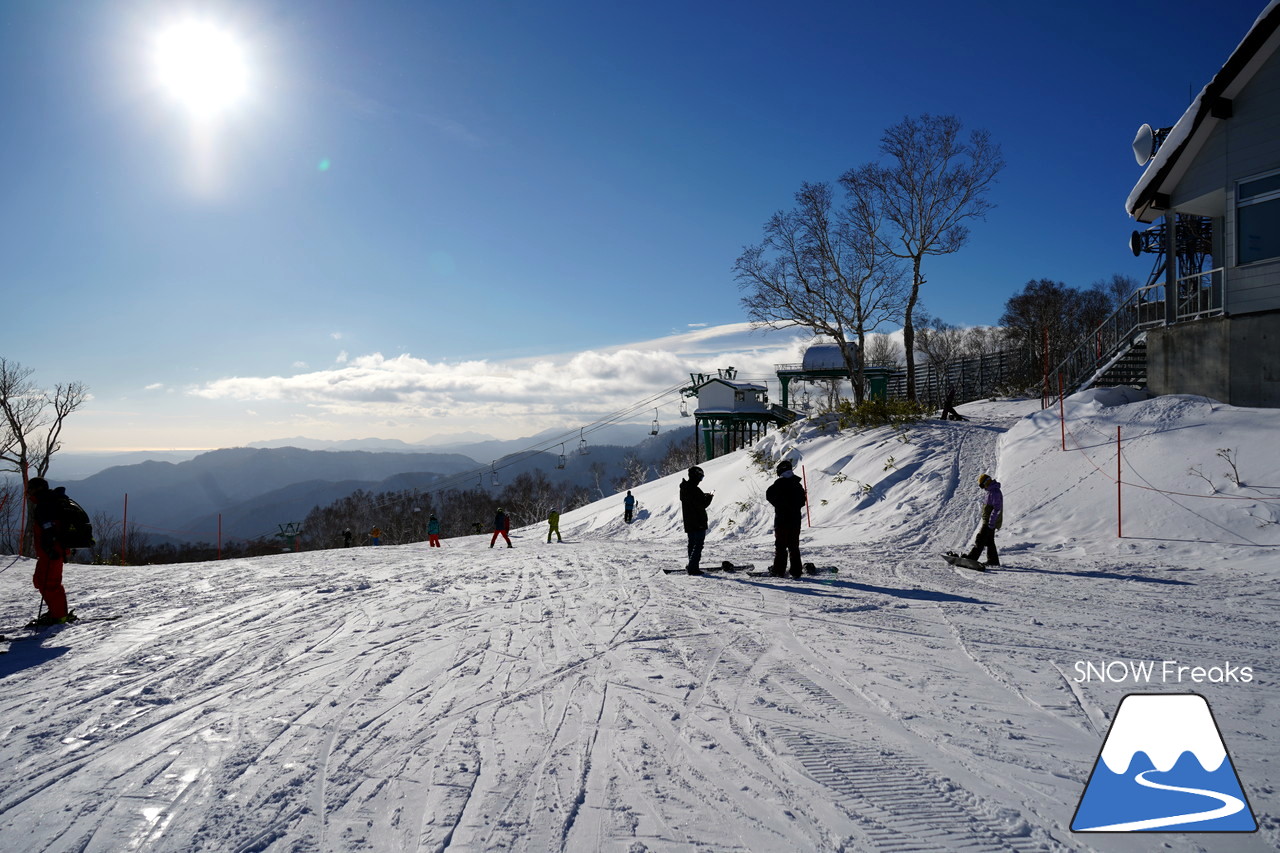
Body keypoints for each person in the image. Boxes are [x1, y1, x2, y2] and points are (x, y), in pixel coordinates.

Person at [26, 477, 72, 626]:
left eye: (31, 488)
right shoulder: (50, 502)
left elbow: (49, 530)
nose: (28, 491)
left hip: (52, 551)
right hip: (52, 551)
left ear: (38, 489)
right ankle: (56, 612)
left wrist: (50, 548)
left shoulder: (45, 505)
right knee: (40, 580)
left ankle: (59, 616)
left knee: (49, 583)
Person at [765, 459, 807, 578]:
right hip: (795, 520)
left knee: (781, 546)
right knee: (794, 546)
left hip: (782, 520)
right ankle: (796, 571)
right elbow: (802, 501)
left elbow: (769, 495)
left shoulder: (778, 484)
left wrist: (780, 504)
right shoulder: (797, 484)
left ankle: (778, 570)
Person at [678, 465, 713, 575]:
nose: (700, 481)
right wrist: (709, 497)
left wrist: (703, 497)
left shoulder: (685, 488)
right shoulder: (694, 489)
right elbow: (702, 504)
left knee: (692, 544)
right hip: (698, 521)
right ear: (696, 476)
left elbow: (694, 502)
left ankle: (692, 565)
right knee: (697, 545)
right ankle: (693, 568)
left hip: (689, 521)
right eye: (700, 478)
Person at [965, 473, 1003, 566]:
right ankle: (993, 560)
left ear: (986, 482)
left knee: (980, 539)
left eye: (982, 485)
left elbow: (997, 509)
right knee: (989, 541)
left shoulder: (994, 492)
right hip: (989, 521)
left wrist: (991, 522)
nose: (982, 488)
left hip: (990, 522)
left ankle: (972, 558)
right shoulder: (990, 491)